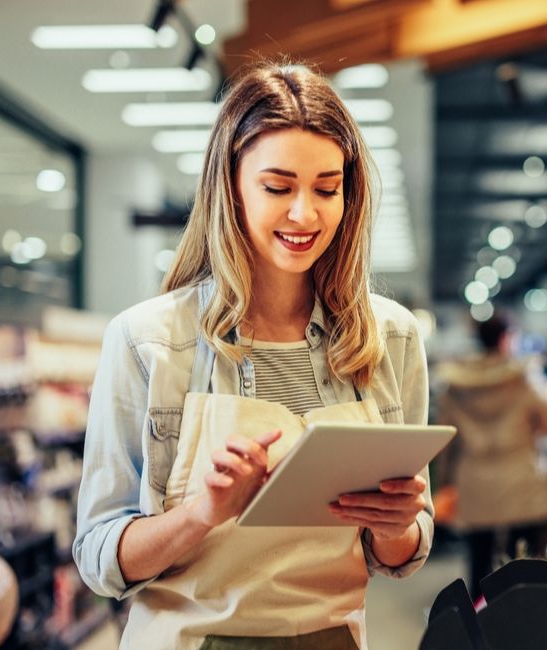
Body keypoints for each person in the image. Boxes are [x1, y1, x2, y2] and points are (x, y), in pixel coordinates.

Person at [73, 61, 433, 650]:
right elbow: (98, 557)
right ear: (230, 185)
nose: (305, 214)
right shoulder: (148, 341)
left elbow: (400, 550)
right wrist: (202, 513)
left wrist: (393, 528)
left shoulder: (388, 338)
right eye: (277, 186)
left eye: (326, 188)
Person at [437, 314, 547, 598]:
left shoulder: (455, 384)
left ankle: (478, 620)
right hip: (520, 477)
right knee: (522, 560)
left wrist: (445, 482)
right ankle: (519, 618)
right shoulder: (521, 377)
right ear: (506, 338)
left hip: (475, 478)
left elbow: (446, 437)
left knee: (478, 557)